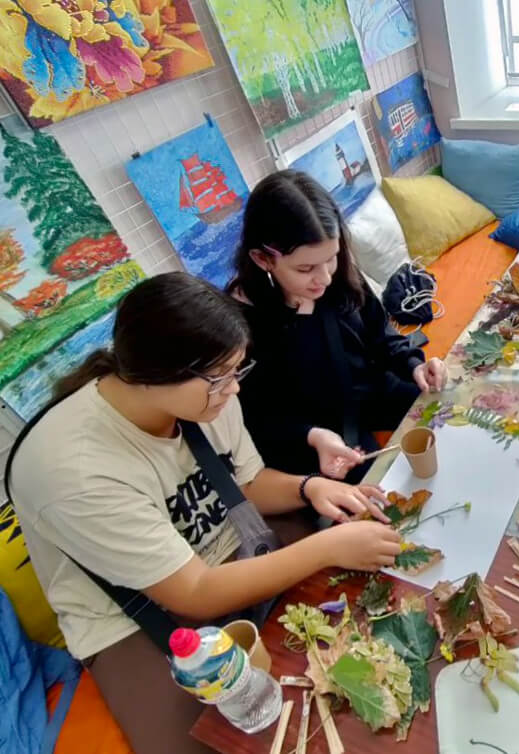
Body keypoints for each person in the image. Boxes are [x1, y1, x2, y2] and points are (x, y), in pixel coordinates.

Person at [7, 273, 402, 754]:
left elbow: (247, 485)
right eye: (221, 378)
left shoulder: (208, 394)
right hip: (134, 617)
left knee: (365, 631)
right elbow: (192, 592)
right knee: (226, 739)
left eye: (237, 371)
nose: (233, 390)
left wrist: (309, 486)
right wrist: (327, 545)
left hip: (225, 548)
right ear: (153, 374)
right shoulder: (74, 470)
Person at [228, 170, 447, 482]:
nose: (325, 278)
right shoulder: (240, 324)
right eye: (305, 268)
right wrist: (313, 436)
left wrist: (412, 364)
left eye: (330, 258)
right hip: (318, 433)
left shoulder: (337, 273)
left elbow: (379, 330)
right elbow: (260, 418)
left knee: (449, 406)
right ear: (263, 259)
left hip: (370, 392)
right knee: (384, 493)